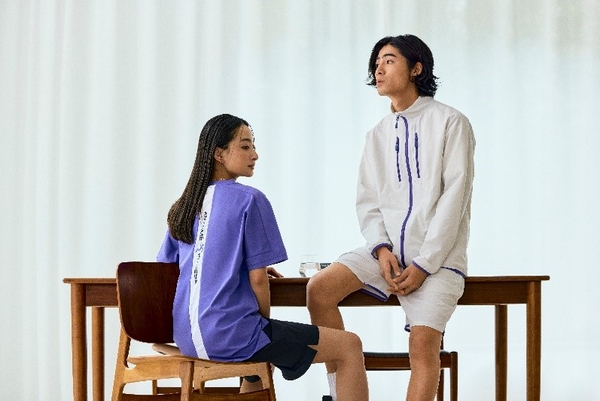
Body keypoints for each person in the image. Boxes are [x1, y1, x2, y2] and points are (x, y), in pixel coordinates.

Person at [307, 34, 475, 401]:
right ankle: (342, 395)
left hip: (439, 260)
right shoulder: (377, 135)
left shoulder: (451, 122)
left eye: (389, 60)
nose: (378, 69)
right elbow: (368, 201)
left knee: (423, 347)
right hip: (386, 254)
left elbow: (455, 198)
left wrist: (425, 264)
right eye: (376, 63)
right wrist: (381, 249)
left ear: (416, 68)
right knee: (319, 289)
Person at [157, 114, 369, 401]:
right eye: (245, 146)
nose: (254, 155)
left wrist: (236, 269)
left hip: (187, 339)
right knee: (349, 346)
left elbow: (171, 271)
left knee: (257, 363)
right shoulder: (249, 199)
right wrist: (261, 321)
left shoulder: (183, 207)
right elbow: (258, 281)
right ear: (219, 154)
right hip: (231, 337)